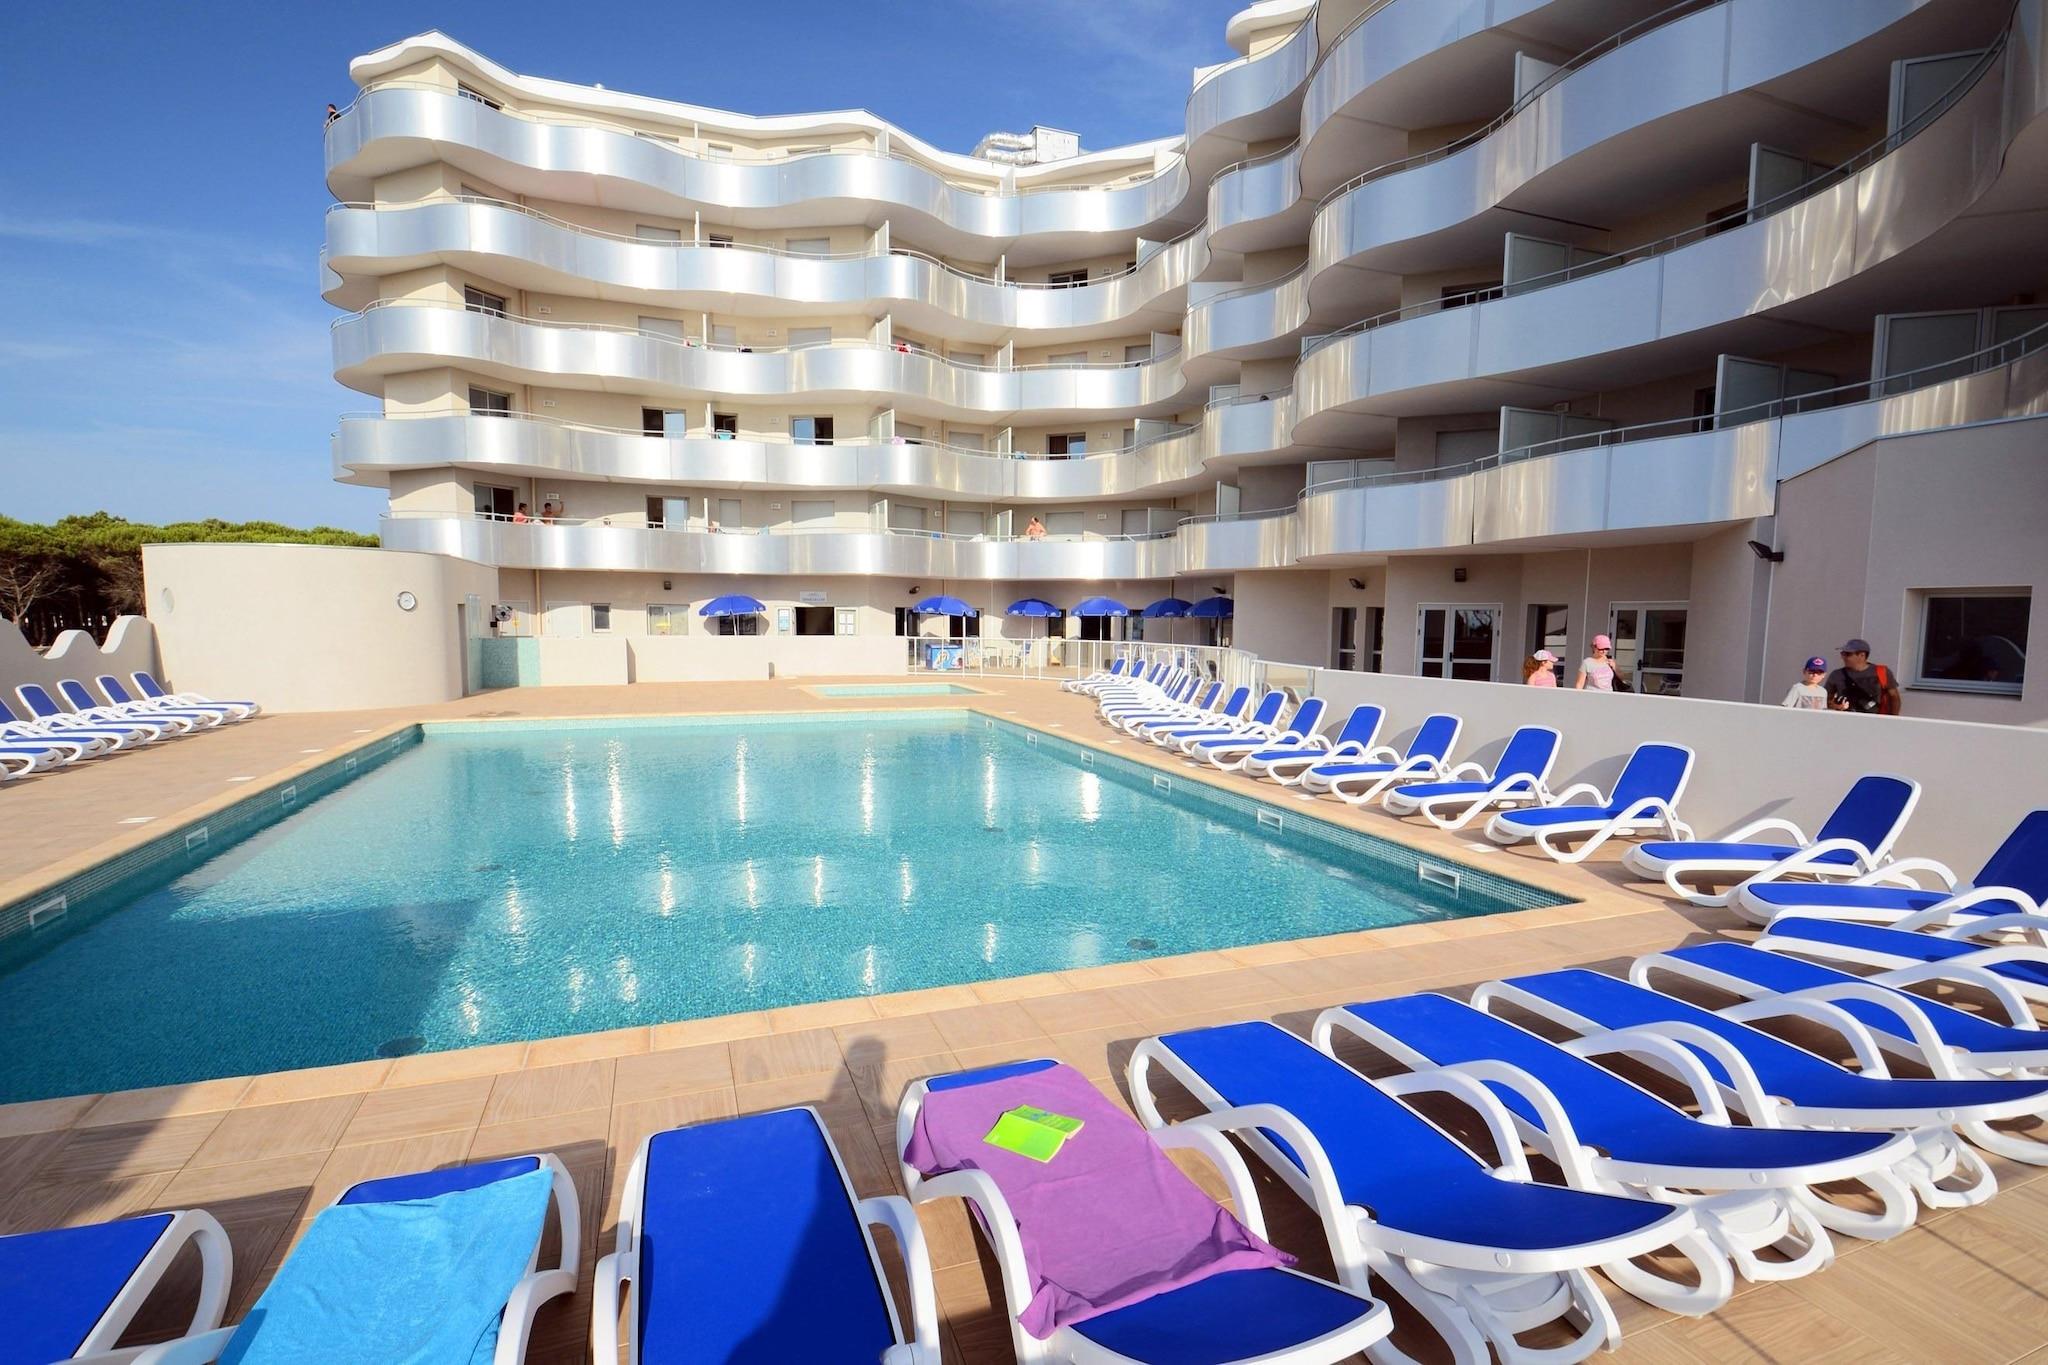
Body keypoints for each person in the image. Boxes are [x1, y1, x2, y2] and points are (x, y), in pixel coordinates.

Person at [1826, 638, 1902, 715]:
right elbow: (1826, 699)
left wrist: (1893, 717)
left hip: (1875, 719)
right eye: (1842, 653)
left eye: (1848, 654)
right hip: (1845, 719)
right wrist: (1836, 706)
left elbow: (1894, 697)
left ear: (1862, 655)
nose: (1843, 657)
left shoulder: (1882, 672)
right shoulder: (1836, 675)